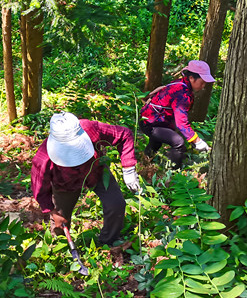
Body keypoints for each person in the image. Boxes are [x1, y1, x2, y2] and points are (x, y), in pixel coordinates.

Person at [31, 112, 140, 246]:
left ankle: (108, 242)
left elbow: (124, 134)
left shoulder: (91, 129)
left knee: (116, 204)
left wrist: (128, 168)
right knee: (60, 221)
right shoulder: (43, 158)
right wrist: (52, 212)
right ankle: (61, 248)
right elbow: (40, 190)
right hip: (64, 184)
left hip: (96, 171)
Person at [140, 60, 214, 169]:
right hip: (150, 122)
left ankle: (143, 165)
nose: (203, 86)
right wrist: (197, 141)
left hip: (154, 121)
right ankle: (173, 174)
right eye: (202, 82)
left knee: (156, 143)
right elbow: (181, 123)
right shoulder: (182, 94)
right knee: (178, 142)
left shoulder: (181, 84)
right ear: (192, 78)